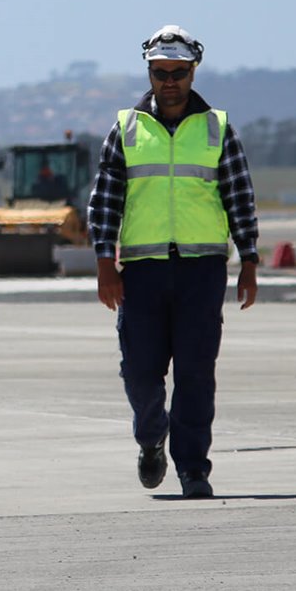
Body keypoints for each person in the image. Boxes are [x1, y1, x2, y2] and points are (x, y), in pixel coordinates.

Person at [86, 25, 259, 499]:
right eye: (161, 72)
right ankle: (150, 435)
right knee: (140, 370)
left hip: (202, 271)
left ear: (193, 71)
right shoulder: (127, 129)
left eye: (178, 73)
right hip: (141, 272)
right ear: (149, 71)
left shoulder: (217, 128)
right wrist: (105, 261)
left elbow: (239, 197)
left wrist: (249, 259)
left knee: (196, 373)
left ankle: (193, 469)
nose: (169, 81)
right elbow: (105, 200)